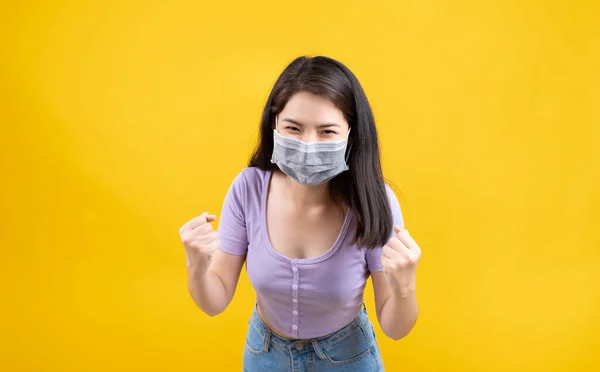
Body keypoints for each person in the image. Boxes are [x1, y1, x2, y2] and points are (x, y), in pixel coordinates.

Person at [179, 56, 422, 371]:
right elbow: (215, 301)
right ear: (275, 124)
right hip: (264, 355)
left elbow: (396, 328)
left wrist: (405, 285)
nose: (308, 144)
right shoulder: (248, 189)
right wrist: (197, 267)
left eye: (326, 132)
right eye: (294, 128)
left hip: (347, 358)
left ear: (351, 134)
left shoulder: (374, 202)